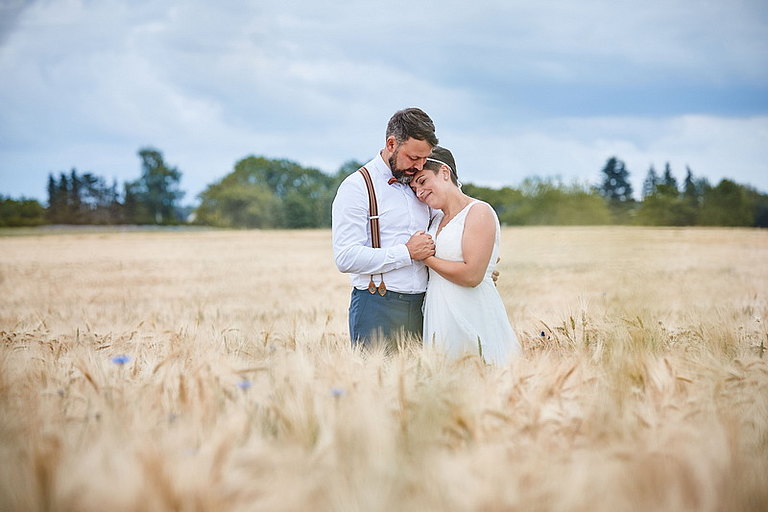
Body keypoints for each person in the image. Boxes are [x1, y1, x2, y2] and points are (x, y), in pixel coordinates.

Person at [332, 107, 438, 346]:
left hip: (426, 306)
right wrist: (407, 253)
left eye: (425, 158)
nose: (420, 166)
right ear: (391, 144)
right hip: (376, 307)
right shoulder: (356, 187)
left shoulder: (423, 184)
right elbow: (345, 257)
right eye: (413, 158)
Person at [410, 146, 521, 364]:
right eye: (414, 189)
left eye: (422, 181)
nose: (419, 193)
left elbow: (472, 276)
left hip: (472, 310)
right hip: (439, 313)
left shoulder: (478, 211)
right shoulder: (434, 220)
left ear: (444, 172)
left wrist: (424, 257)